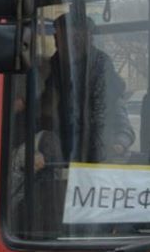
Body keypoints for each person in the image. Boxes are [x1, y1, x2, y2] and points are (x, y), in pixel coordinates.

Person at [40, 13, 135, 162]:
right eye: (59, 37)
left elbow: (120, 120)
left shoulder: (101, 67)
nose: (59, 43)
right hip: (57, 159)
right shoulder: (51, 68)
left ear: (86, 40)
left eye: (74, 38)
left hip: (97, 159)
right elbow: (42, 114)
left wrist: (119, 144)